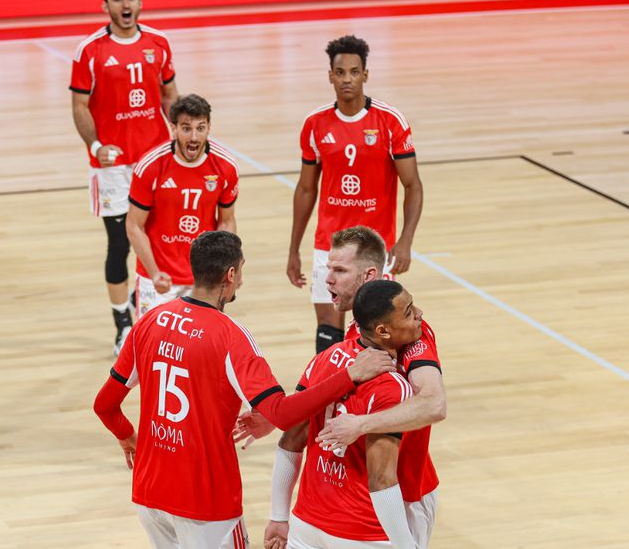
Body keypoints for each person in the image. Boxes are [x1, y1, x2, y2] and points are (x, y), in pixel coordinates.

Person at [93, 231, 396, 549]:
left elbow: (104, 405)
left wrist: (128, 436)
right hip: (206, 502)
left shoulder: (149, 322)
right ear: (231, 274)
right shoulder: (230, 336)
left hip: (149, 494)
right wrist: (350, 374)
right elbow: (281, 413)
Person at [235, 227, 445, 548]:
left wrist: (361, 425)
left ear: (369, 275)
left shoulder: (411, 333)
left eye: (339, 270)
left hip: (404, 492)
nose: (328, 279)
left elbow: (433, 405)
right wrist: (280, 414)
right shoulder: (354, 334)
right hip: (346, 500)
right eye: (328, 269)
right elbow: (312, 412)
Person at [286, 35, 424, 354]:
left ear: (365, 74)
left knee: (374, 335)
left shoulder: (390, 122)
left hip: (375, 246)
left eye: (353, 71)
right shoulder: (315, 124)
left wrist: (405, 241)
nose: (347, 79)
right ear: (330, 76)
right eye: (340, 72)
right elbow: (306, 189)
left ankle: (375, 400)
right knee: (327, 339)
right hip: (329, 245)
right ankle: (329, 404)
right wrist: (293, 250)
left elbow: (413, 185)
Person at [264, 280, 425, 549]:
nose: (419, 313)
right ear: (383, 331)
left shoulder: (325, 358)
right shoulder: (392, 387)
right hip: (360, 533)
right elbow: (382, 480)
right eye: (409, 311)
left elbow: (290, 441)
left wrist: (279, 516)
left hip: (306, 526)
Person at [70, 0, 179, 354]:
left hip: (154, 161)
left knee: (157, 240)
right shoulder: (90, 51)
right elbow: (80, 106)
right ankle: (122, 325)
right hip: (112, 167)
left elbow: (169, 96)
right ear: (106, 7)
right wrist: (96, 144)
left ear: (140, 1)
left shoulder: (158, 43)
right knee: (119, 244)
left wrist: (181, 135)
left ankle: (151, 309)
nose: (125, 4)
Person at [126, 94, 238, 319]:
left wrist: (227, 267)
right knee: (151, 347)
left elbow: (226, 220)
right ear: (173, 129)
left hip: (202, 279)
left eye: (201, 128)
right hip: (157, 278)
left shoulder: (225, 166)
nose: (194, 136)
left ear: (209, 128)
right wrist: (154, 273)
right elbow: (134, 225)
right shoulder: (150, 166)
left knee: (199, 347)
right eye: (186, 128)